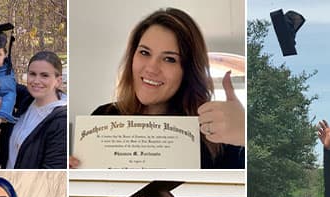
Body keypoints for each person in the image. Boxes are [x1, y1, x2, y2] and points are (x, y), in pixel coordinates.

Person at [72, 8, 244, 169]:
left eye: (169, 59)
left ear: (188, 70)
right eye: (144, 53)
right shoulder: (103, 116)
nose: (151, 68)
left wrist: (245, 134)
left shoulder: (214, 133)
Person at [0, 51, 68, 169]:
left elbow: (52, 170)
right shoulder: (27, 100)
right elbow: (1, 84)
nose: (36, 81)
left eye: (44, 75)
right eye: (32, 74)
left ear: (58, 81)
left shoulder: (61, 121)